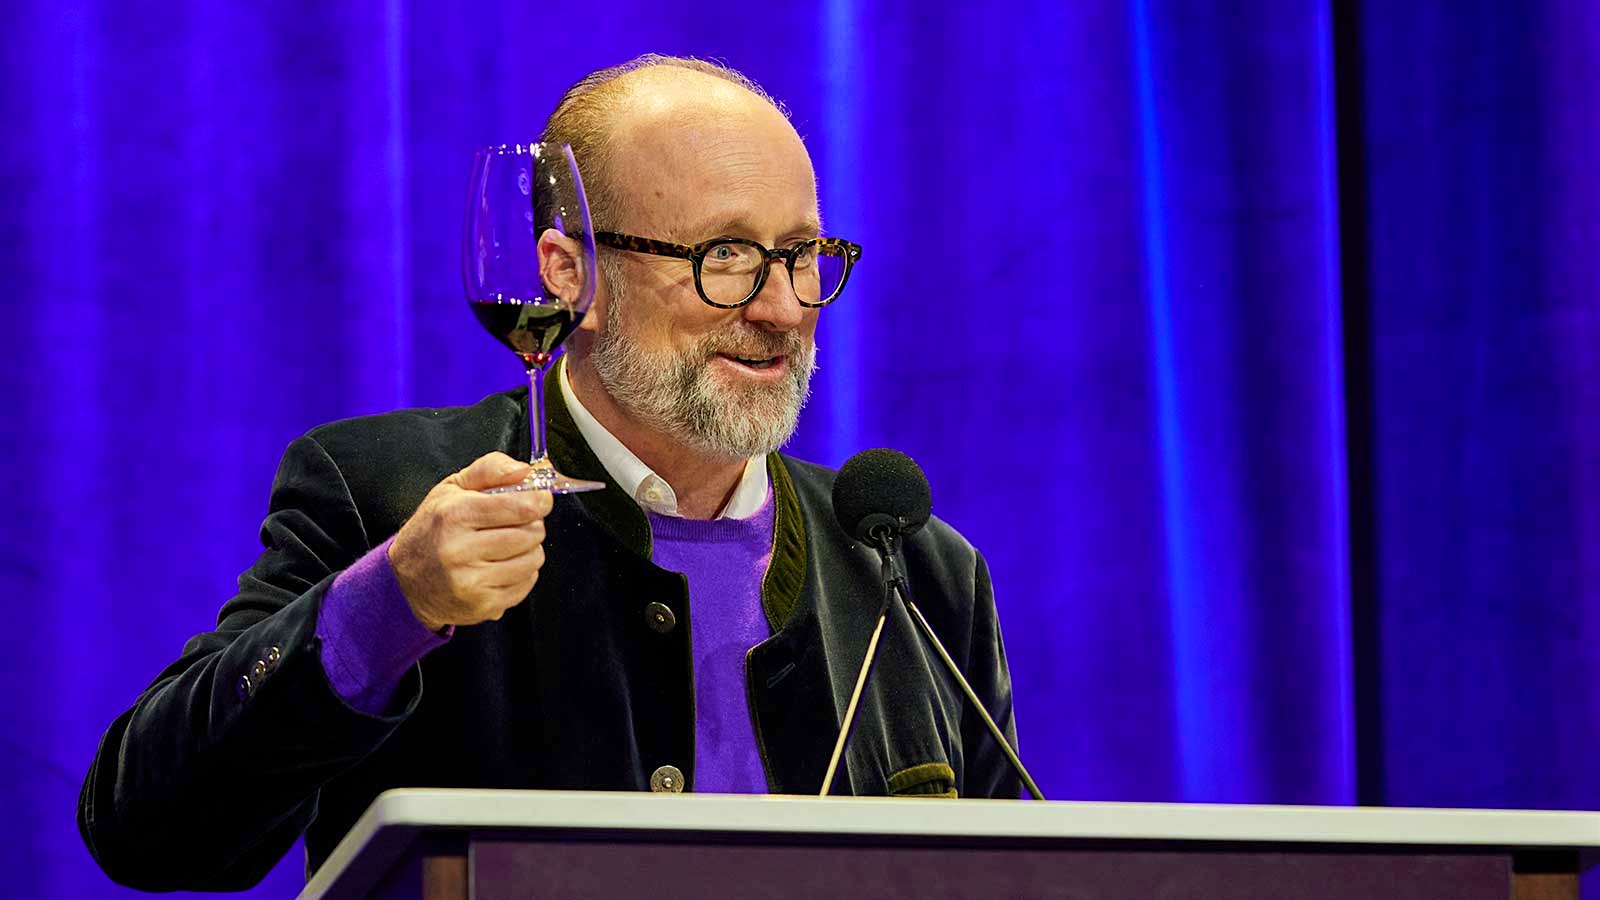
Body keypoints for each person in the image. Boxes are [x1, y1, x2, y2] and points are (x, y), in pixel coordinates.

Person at [78, 55, 1020, 892]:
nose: (781, 306)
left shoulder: (916, 565)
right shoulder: (383, 495)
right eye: (724, 255)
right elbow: (152, 835)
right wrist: (390, 606)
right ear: (570, 275)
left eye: (802, 253)